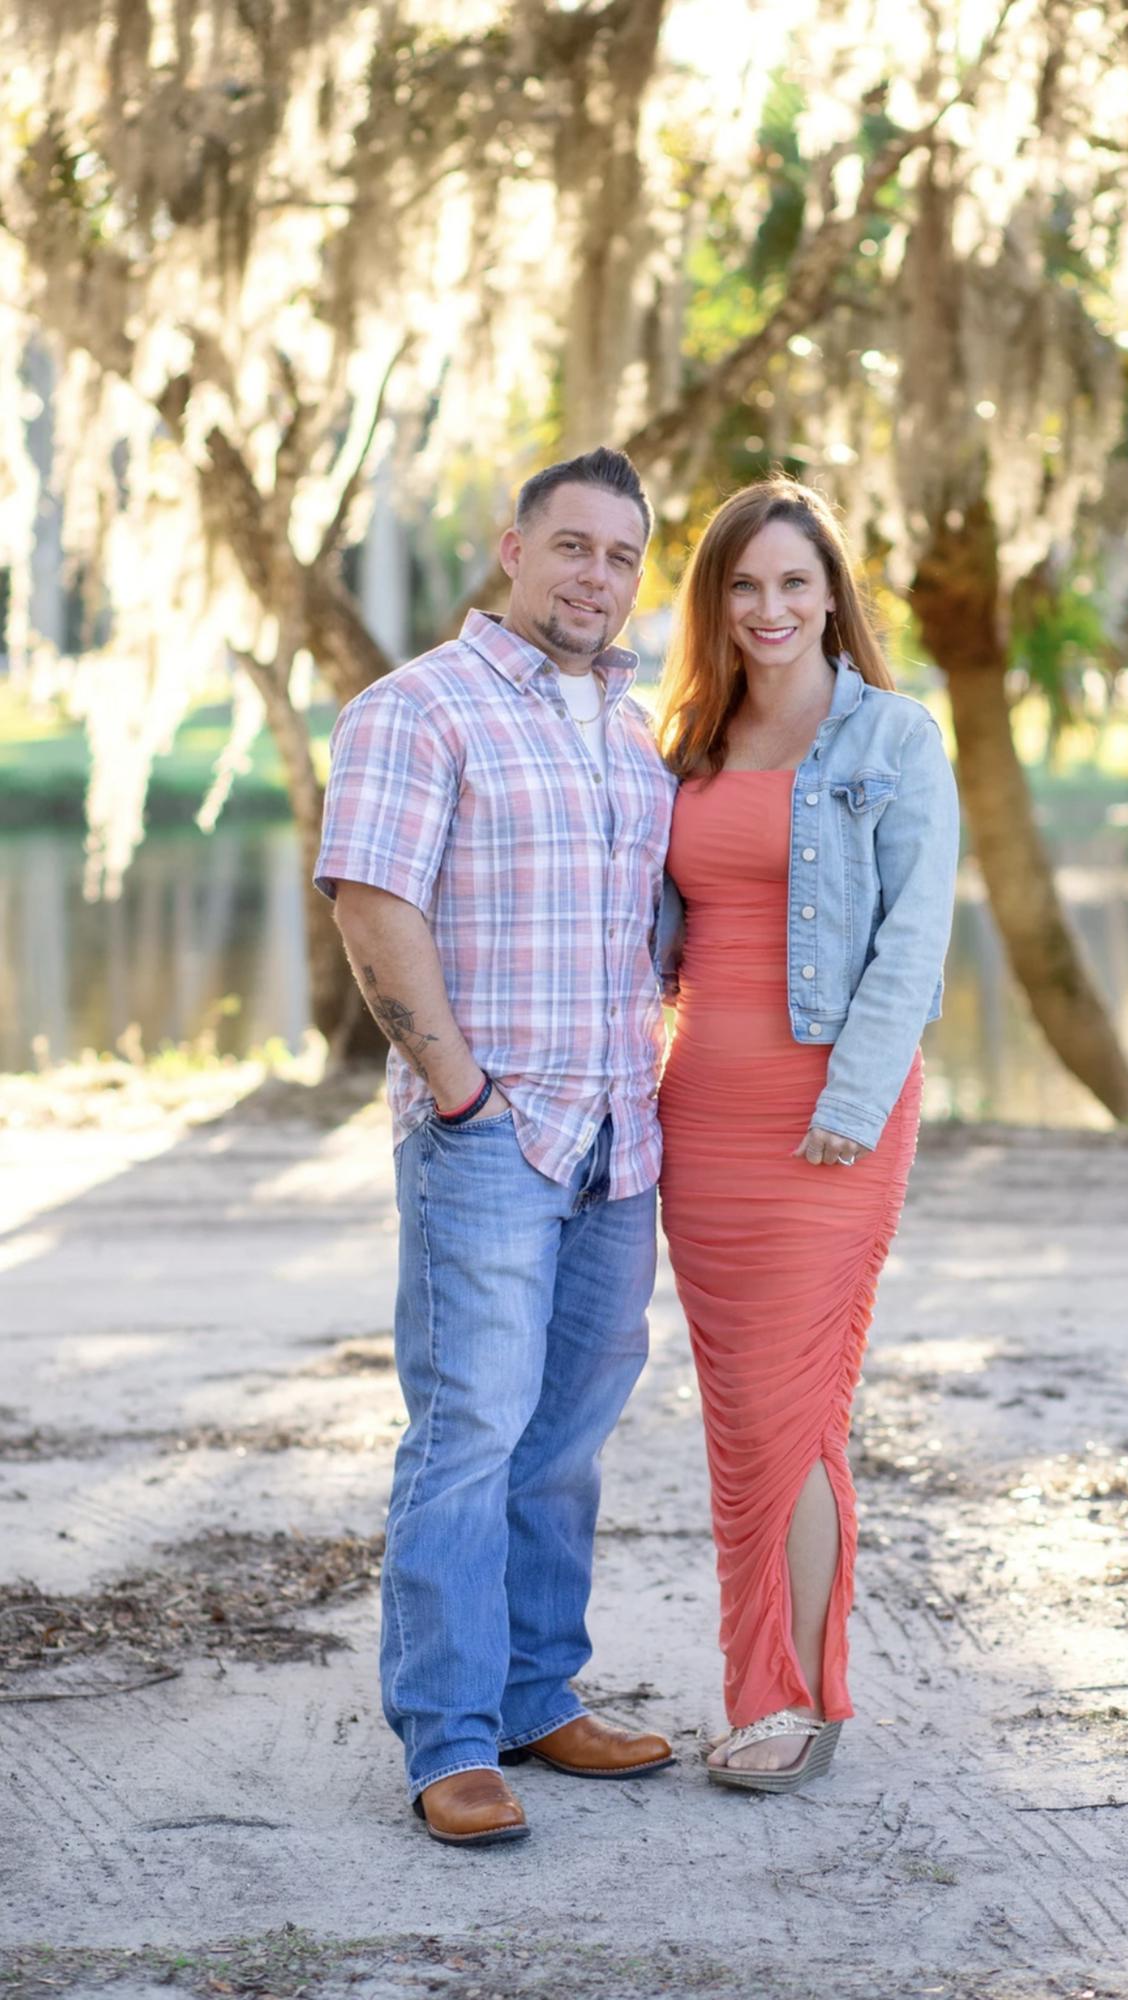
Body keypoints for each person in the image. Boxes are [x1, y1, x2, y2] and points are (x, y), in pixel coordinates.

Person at [315, 446, 678, 1848]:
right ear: (511, 549)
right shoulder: (419, 710)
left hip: (619, 1146)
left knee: (568, 1437)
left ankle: (537, 1690)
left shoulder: (629, 730)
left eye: (623, 557)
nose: (598, 577)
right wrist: (462, 1094)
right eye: (573, 547)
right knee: (467, 1431)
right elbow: (372, 905)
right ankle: (451, 1737)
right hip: (491, 1136)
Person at [654, 476, 958, 1792]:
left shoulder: (895, 740)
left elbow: (913, 945)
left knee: (787, 1407)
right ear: (715, 602)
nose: (769, 606)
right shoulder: (689, 740)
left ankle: (785, 1697)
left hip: (833, 1115)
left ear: (833, 591)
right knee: (749, 1418)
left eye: (792, 581)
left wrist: (851, 1103)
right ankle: (785, 1681)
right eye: (742, 584)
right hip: (700, 1118)